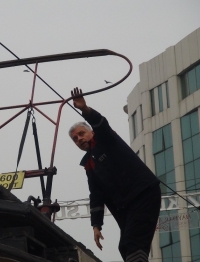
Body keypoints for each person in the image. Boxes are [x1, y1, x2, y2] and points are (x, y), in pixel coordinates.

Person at [69, 87, 161, 262]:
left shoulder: (105, 140)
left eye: (82, 134)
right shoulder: (89, 165)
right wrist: (96, 225)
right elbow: (96, 195)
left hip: (143, 193)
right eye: (75, 138)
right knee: (125, 246)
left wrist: (85, 109)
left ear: (91, 133)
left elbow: (102, 125)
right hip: (126, 204)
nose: (79, 139)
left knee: (133, 242)